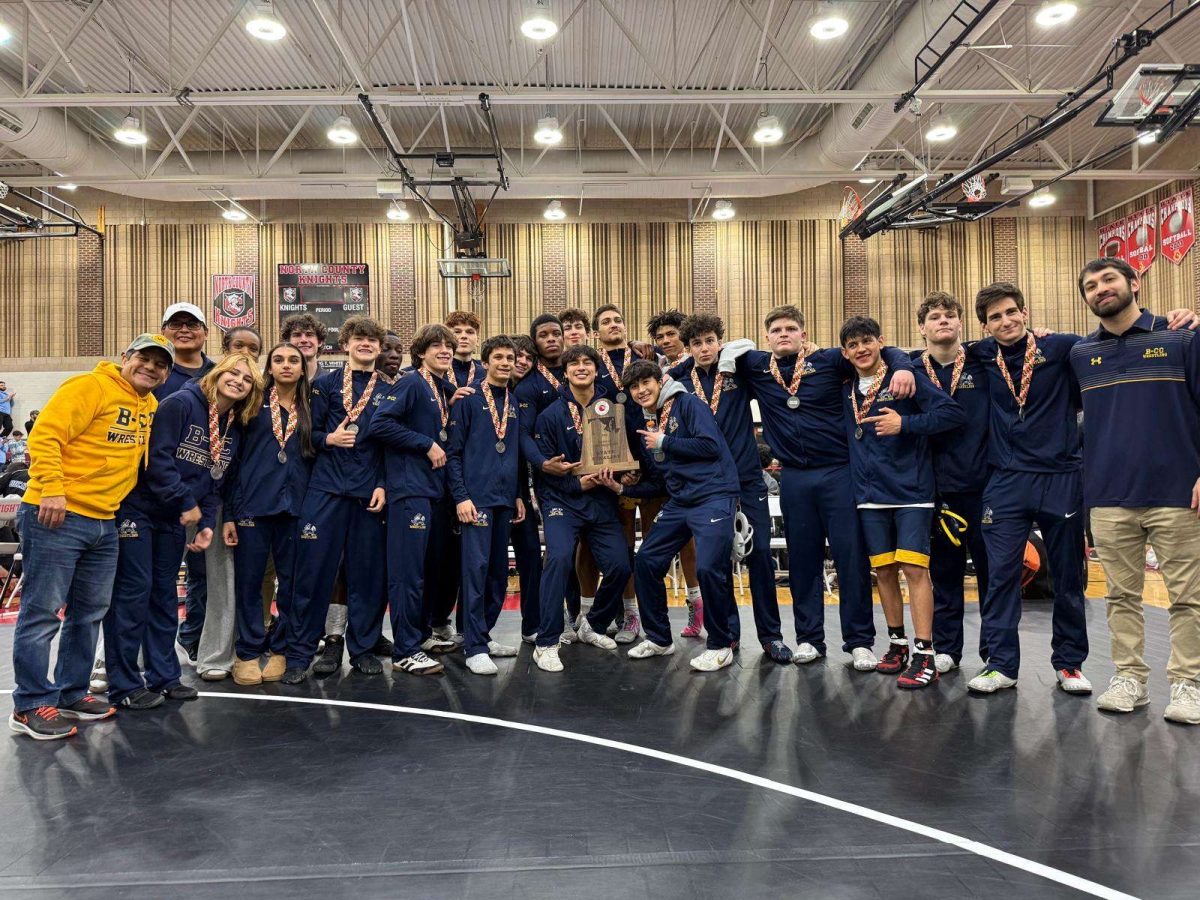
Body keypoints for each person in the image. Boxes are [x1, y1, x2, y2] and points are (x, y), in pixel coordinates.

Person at [718, 305, 916, 670]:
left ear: (804, 334)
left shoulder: (829, 361)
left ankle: (859, 641)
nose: (783, 334)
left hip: (838, 473)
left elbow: (879, 352)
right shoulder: (757, 366)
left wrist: (903, 366)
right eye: (776, 329)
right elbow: (714, 354)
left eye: (791, 328)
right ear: (767, 337)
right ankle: (809, 638)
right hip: (793, 476)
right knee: (803, 561)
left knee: (850, 557)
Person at [9, 335, 171, 740]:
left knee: (89, 613)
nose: (151, 367)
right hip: (57, 513)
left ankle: (71, 693)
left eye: (160, 364)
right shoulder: (89, 387)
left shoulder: (149, 406)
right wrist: (51, 488)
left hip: (105, 520)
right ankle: (29, 704)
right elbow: (45, 436)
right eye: (144, 358)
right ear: (125, 358)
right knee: (43, 611)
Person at [1071, 258, 1200, 724]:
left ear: (1133, 283)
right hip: (1107, 496)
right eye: (1091, 286)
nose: (1101, 289)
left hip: (1178, 492)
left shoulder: (1182, 336)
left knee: (1188, 598)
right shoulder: (1082, 354)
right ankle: (1131, 679)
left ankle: (1188, 685)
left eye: (1108, 280)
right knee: (1121, 597)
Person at [103, 353, 260, 711]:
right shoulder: (180, 403)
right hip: (140, 510)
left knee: (163, 596)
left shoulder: (232, 424)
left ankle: (164, 677)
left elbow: (214, 481)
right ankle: (123, 684)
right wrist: (184, 502)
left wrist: (205, 524)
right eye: (233, 372)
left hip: (175, 520)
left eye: (247, 379)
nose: (238, 381)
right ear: (218, 373)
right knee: (132, 595)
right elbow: (156, 461)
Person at [964, 282, 1091, 695]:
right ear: (985, 326)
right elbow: (928, 354)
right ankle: (1001, 664)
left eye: (1010, 312)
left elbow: (1113, 338)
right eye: (995, 317)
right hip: (1006, 481)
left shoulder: (1063, 348)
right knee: (1001, 576)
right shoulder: (981, 354)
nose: (1005, 321)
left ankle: (1069, 663)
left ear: (1025, 311)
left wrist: (1174, 320)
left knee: (1068, 577)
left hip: (1061, 477)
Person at [840, 316, 965, 689]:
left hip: (911, 492)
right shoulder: (845, 386)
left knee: (915, 571)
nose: (861, 349)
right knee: (884, 571)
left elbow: (952, 414)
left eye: (867, 341)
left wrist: (905, 425)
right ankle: (897, 644)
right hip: (868, 494)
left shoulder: (904, 379)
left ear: (881, 341)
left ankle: (925, 653)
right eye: (852, 345)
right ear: (845, 352)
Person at [673, 314, 792, 662]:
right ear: (689, 348)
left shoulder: (738, 369)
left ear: (719, 341)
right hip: (709, 486)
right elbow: (655, 381)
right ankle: (728, 634)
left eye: (710, 340)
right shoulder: (681, 379)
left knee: (759, 559)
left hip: (747, 478)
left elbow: (754, 347)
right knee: (717, 564)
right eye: (696, 343)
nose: (704, 348)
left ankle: (771, 636)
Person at [617, 359, 742, 671]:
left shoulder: (688, 403)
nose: (640, 390)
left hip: (713, 495)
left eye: (646, 382)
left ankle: (720, 644)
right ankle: (660, 639)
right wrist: (624, 490)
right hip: (680, 501)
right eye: (634, 387)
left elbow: (710, 446)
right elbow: (661, 478)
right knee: (646, 560)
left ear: (660, 381)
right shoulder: (651, 421)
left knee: (709, 567)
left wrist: (665, 442)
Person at [285, 316, 389, 682]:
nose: (365, 344)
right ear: (345, 344)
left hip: (367, 494)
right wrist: (328, 439)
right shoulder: (324, 385)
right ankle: (299, 655)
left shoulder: (390, 389)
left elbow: (389, 445)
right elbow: (302, 433)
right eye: (358, 338)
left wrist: (382, 483)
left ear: (379, 348)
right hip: (325, 489)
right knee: (312, 574)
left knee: (367, 576)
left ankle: (361, 649)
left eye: (372, 340)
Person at [531, 345, 629, 673]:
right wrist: (576, 485)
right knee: (558, 559)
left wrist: (627, 472)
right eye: (574, 363)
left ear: (596, 370)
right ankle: (546, 642)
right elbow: (543, 471)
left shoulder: (612, 409)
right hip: (563, 502)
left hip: (601, 500)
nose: (581, 367)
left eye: (588, 362)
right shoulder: (551, 414)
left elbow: (624, 454)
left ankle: (594, 625)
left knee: (620, 565)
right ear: (566, 372)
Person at [368, 324, 458, 676]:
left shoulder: (439, 387)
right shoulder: (410, 382)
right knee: (408, 574)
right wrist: (426, 443)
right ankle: (405, 649)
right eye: (436, 346)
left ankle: (419, 636)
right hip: (409, 490)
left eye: (448, 346)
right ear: (420, 352)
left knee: (427, 571)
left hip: (433, 491)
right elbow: (380, 424)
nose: (444, 350)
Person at [224, 343, 315, 686]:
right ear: (270, 367)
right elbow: (232, 460)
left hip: (295, 507)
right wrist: (230, 512)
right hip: (253, 506)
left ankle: (281, 648)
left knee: (291, 584)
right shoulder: (252, 404)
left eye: (294, 360)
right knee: (249, 583)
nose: (287, 365)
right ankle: (247, 651)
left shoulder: (312, 406)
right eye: (279, 360)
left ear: (304, 368)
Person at [913, 291, 993, 675]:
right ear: (922, 327)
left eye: (949, 315)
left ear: (961, 323)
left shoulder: (984, 360)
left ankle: (995, 651)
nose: (942, 321)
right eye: (934, 317)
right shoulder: (909, 369)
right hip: (936, 491)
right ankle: (947, 648)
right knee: (945, 574)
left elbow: (1024, 342)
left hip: (984, 487)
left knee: (992, 573)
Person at [447, 336, 527, 675]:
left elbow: (517, 455)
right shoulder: (467, 401)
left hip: (504, 499)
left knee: (498, 573)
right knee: (475, 571)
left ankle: (483, 633)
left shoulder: (515, 402)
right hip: (475, 500)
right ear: (486, 362)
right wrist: (461, 496)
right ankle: (473, 646)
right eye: (499, 357)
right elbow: (453, 454)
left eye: (510, 357)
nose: (506, 362)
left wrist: (520, 493)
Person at [158, 303, 218, 662]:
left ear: (205, 332)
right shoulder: (157, 371)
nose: (184, 330)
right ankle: (149, 653)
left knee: (203, 574)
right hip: (157, 494)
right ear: (164, 331)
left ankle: (192, 639)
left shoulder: (218, 373)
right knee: (157, 578)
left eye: (192, 324)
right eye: (175, 324)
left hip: (204, 494)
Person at [507, 334, 544, 641]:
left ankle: (531, 625)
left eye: (529, 358)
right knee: (486, 565)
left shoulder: (529, 392)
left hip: (522, 488)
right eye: (516, 355)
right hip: (489, 490)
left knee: (531, 554)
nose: (521, 361)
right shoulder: (482, 390)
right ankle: (471, 632)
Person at [445, 310, 486, 388]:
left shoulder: (486, 373)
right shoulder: (437, 371)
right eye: (457, 332)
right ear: (447, 339)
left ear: (477, 341)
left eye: (470, 332)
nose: (464, 336)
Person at [281, 313, 327, 381]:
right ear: (288, 342)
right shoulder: (275, 383)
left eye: (309, 335)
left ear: (320, 342)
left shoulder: (333, 383)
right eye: (297, 335)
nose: (303, 340)